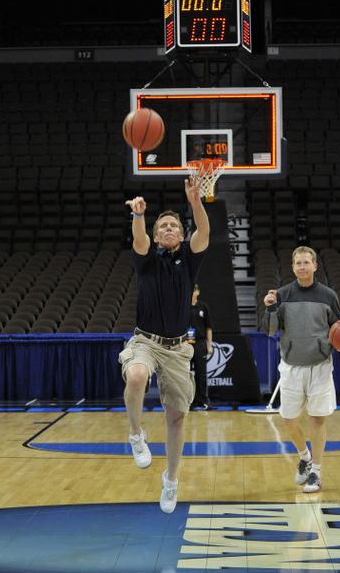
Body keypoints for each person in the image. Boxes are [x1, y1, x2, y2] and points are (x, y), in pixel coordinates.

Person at [120, 176, 209, 514]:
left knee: (176, 418)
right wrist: (139, 216)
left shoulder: (189, 257)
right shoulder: (146, 258)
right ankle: (136, 435)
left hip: (177, 347)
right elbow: (138, 239)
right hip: (146, 340)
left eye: (174, 225)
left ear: (180, 234)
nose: (169, 228)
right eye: (164, 226)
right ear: (158, 235)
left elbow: (205, 233)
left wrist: (195, 201)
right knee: (137, 376)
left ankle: (171, 479)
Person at [262, 246, 340, 494]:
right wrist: (270, 307)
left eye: (307, 262)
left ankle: (316, 471)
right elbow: (269, 330)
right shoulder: (282, 294)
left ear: (315, 266)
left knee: (317, 419)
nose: (302, 267)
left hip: (319, 366)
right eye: (298, 263)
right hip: (291, 366)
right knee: (288, 420)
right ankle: (305, 456)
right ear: (293, 267)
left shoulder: (328, 295)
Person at [188, 284, 213, 410]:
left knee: (201, 373)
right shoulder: (183, 307)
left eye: (194, 289)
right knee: (186, 373)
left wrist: (209, 345)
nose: (192, 292)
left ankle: (202, 400)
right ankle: (188, 401)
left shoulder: (203, 307)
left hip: (200, 342)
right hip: (186, 343)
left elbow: (208, 327)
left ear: (198, 292)